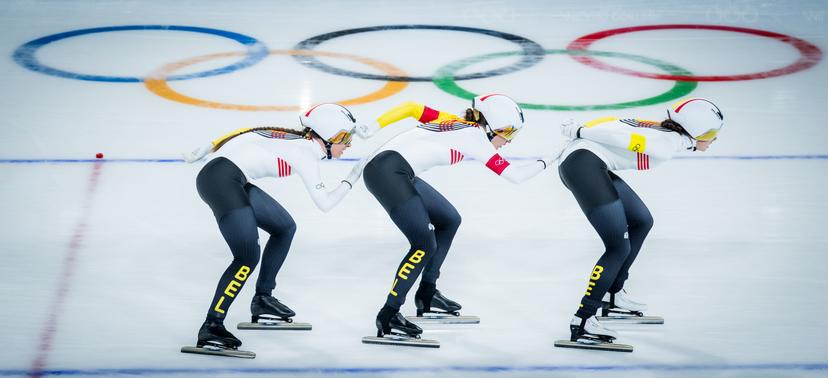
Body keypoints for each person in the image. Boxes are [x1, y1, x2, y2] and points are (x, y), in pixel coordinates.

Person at [356, 94, 554, 341]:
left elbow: (411, 106)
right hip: (388, 173)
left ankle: (427, 292)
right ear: (493, 126)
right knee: (424, 244)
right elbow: (515, 176)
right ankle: (389, 313)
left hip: (394, 171)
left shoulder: (455, 122)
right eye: (509, 133)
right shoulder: (475, 137)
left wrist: (374, 126)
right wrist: (550, 159)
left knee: (449, 219)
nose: (508, 141)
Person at [184, 103, 364, 353]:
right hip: (221, 181)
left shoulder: (296, 138)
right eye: (345, 138)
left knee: (284, 227)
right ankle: (212, 325)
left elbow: (250, 131)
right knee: (247, 257)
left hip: (228, 177)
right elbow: (325, 203)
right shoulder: (305, 152)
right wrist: (354, 176)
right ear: (328, 135)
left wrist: (210, 146)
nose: (349, 145)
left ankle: (263, 299)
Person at [556, 97, 724, 346]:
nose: (714, 139)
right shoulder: (664, 144)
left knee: (642, 221)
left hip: (589, 163)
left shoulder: (663, 130)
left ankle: (614, 295)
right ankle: (583, 319)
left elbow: (611, 123)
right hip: (584, 166)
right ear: (696, 130)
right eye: (711, 133)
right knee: (618, 247)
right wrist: (581, 131)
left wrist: (583, 132)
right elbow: (619, 138)